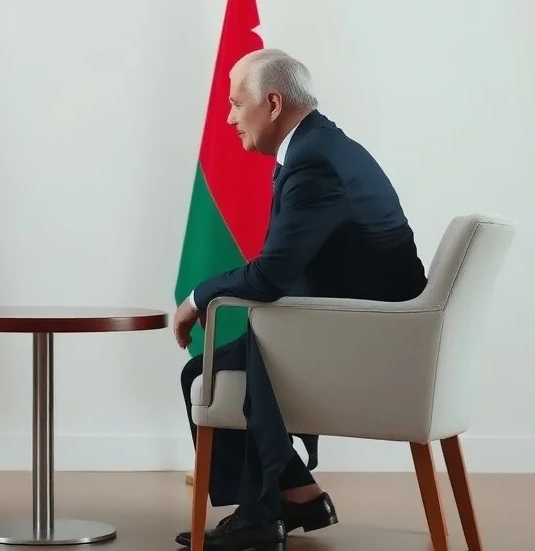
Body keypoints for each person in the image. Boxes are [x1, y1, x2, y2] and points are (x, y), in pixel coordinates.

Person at [173, 48, 428, 550]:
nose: (229, 118)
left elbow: (271, 276)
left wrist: (198, 298)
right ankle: (295, 496)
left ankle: (263, 512)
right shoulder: (320, 146)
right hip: (367, 327)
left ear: (272, 103)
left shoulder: (315, 161)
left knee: (213, 371)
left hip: (370, 340)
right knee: (208, 369)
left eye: (236, 103)